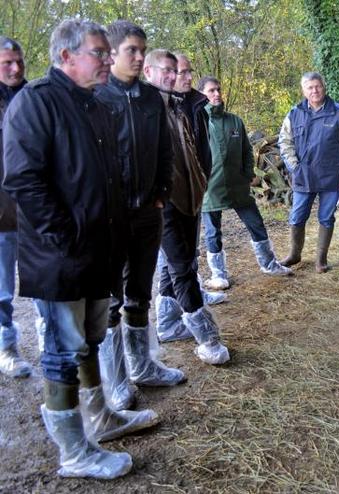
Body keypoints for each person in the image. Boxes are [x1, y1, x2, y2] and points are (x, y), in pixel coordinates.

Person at [3, 19, 159, 479]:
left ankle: (101, 419)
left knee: (90, 339)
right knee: (60, 350)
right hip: (61, 256)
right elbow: (23, 180)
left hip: (98, 250)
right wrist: (66, 235)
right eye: (99, 52)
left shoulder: (93, 104)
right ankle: (74, 451)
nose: (108, 59)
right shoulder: (36, 102)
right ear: (66, 56)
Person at [94, 21, 184, 413]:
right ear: (112, 53)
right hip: (110, 217)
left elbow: (166, 150)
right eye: (132, 50)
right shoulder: (97, 97)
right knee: (109, 300)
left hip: (149, 212)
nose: (139, 57)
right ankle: (116, 383)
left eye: (142, 50)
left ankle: (143, 365)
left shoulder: (151, 98)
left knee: (139, 294)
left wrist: (162, 193)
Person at [144, 49, 229, 364]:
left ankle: (167, 323)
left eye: (187, 72)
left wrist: (202, 181)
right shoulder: (150, 108)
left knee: (178, 263)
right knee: (182, 266)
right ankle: (208, 339)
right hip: (163, 202)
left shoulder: (188, 105)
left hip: (191, 196)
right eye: (181, 73)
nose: (187, 77)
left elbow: (198, 152)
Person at [198, 75, 291, 286]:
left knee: (256, 223)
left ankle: (269, 264)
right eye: (212, 90)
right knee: (213, 232)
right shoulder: (198, 122)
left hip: (238, 185)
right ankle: (218, 275)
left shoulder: (235, 121)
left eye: (218, 89)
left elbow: (247, 151)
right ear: (202, 94)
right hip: (210, 188)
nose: (217, 94)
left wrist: (249, 174)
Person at [278, 72, 339, 273]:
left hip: (331, 176)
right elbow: (284, 141)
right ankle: (294, 254)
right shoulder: (295, 113)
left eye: (317, 86)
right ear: (304, 90)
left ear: (324, 87)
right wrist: (294, 166)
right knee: (297, 217)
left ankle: (321, 259)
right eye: (310, 87)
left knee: (326, 218)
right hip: (304, 176)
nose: (314, 90)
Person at [0, 36, 31, 378]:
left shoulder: (34, 97)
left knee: (46, 287)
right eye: (7, 62)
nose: (15, 68)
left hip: (36, 211)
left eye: (18, 61)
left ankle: (57, 349)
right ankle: (6, 347)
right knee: (3, 290)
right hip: (2, 215)